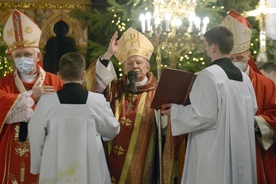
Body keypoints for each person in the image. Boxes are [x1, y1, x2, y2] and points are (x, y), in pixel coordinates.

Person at [161, 26, 257, 184]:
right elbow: (252, 109)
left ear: (213, 47)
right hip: (241, 150)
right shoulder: (244, 78)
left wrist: (176, 112)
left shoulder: (209, 74)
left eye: (206, 45)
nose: (205, 50)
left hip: (214, 151)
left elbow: (204, 115)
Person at [84, 27, 171, 183]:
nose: (135, 66)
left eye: (139, 62)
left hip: (143, 153)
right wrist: (108, 54)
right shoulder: (114, 88)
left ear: (147, 67)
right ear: (123, 68)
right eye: (130, 63)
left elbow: (166, 126)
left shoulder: (158, 91)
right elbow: (91, 84)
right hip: (111, 152)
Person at [28, 52, 120, 184]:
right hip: (91, 167)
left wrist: (37, 167)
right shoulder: (97, 101)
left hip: (55, 169)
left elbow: (35, 134)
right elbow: (112, 129)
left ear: (59, 75)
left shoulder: (47, 102)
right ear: (83, 75)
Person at [0, 9, 63, 183]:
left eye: (27, 54)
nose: (22, 59)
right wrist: (31, 96)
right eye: (17, 56)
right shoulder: (4, 83)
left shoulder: (54, 81)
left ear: (38, 56)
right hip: (9, 150)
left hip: (46, 150)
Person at [220, 9, 276, 184]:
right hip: (222, 146)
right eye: (230, 59)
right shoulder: (214, 81)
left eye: (239, 58)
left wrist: (254, 122)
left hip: (256, 148)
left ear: (248, 56)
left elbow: (275, 113)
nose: (235, 63)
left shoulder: (266, 84)